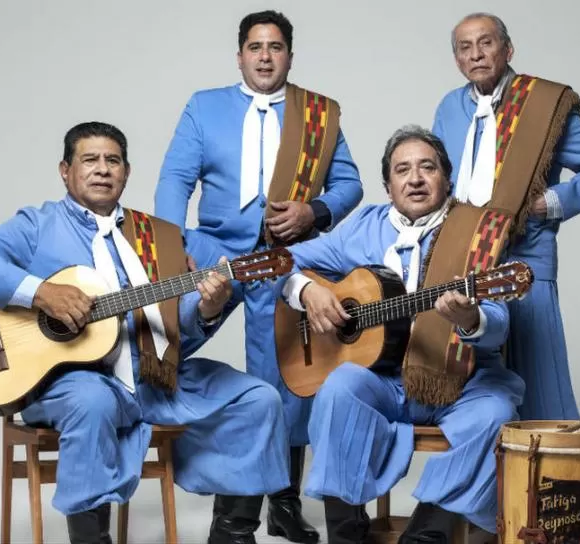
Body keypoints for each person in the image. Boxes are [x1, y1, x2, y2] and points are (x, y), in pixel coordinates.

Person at [0, 121, 291, 544]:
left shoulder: (159, 237)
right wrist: (42, 293)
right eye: (89, 159)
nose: (102, 169)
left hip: (154, 379)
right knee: (91, 402)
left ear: (127, 172)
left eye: (113, 160)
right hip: (71, 383)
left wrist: (206, 308)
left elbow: (173, 325)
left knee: (258, 399)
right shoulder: (38, 225)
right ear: (65, 170)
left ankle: (231, 536)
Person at [154, 10, 363, 543]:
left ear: (289, 55)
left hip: (282, 256)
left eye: (275, 47)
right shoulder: (205, 107)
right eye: (255, 47)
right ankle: (158, 428)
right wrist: (169, 246)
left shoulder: (317, 114)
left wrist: (312, 212)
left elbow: (350, 184)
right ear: (240, 54)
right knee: (166, 339)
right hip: (215, 249)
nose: (265, 56)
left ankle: (282, 503)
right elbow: (176, 177)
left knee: (286, 377)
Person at [276, 125, 525, 543]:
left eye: (427, 167)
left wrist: (469, 319)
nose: (415, 178)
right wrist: (307, 290)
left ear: (447, 179)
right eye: (402, 170)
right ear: (388, 186)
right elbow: (283, 261)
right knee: (338, 388)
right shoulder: (363, 227)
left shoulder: (479, 231)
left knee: (496, 415)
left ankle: (427, 535)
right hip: (384, 381)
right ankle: (347, 535)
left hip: (462, 381)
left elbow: (498, 320)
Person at [431, 12, 580, 421]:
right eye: (465, 48)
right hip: (465, 263)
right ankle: (490, 483)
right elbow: (441, 181)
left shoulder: (542, 104)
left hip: (527, 262)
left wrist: (550, 203)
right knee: (478, 390)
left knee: (540, 391)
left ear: (508, 49)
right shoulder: (449, 107)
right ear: (456, 60)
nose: (476, 54)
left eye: (486, 43)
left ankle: (557, 483)